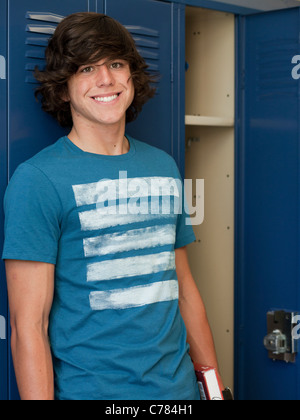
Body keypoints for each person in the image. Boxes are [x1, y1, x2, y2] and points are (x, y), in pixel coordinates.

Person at [2, 13, 223, 400]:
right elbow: (28, 326)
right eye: (87, 68)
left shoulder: (163, 166)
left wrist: (213, 388)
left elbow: (183, 288)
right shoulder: (37, 180)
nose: (106, 80)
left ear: (131, 76)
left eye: (116, 64)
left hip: (179, 394)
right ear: (64, 86)